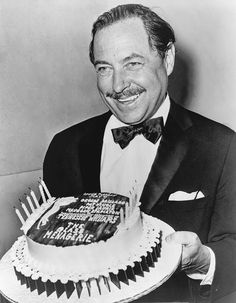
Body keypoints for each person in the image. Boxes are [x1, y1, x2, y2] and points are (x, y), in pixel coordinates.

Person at [43, 4, 236, 302]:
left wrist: (204, 260)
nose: (118, 85)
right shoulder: (65, 147)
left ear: (167, 59)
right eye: (104, 68)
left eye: (132, 63)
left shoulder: (222, 146)